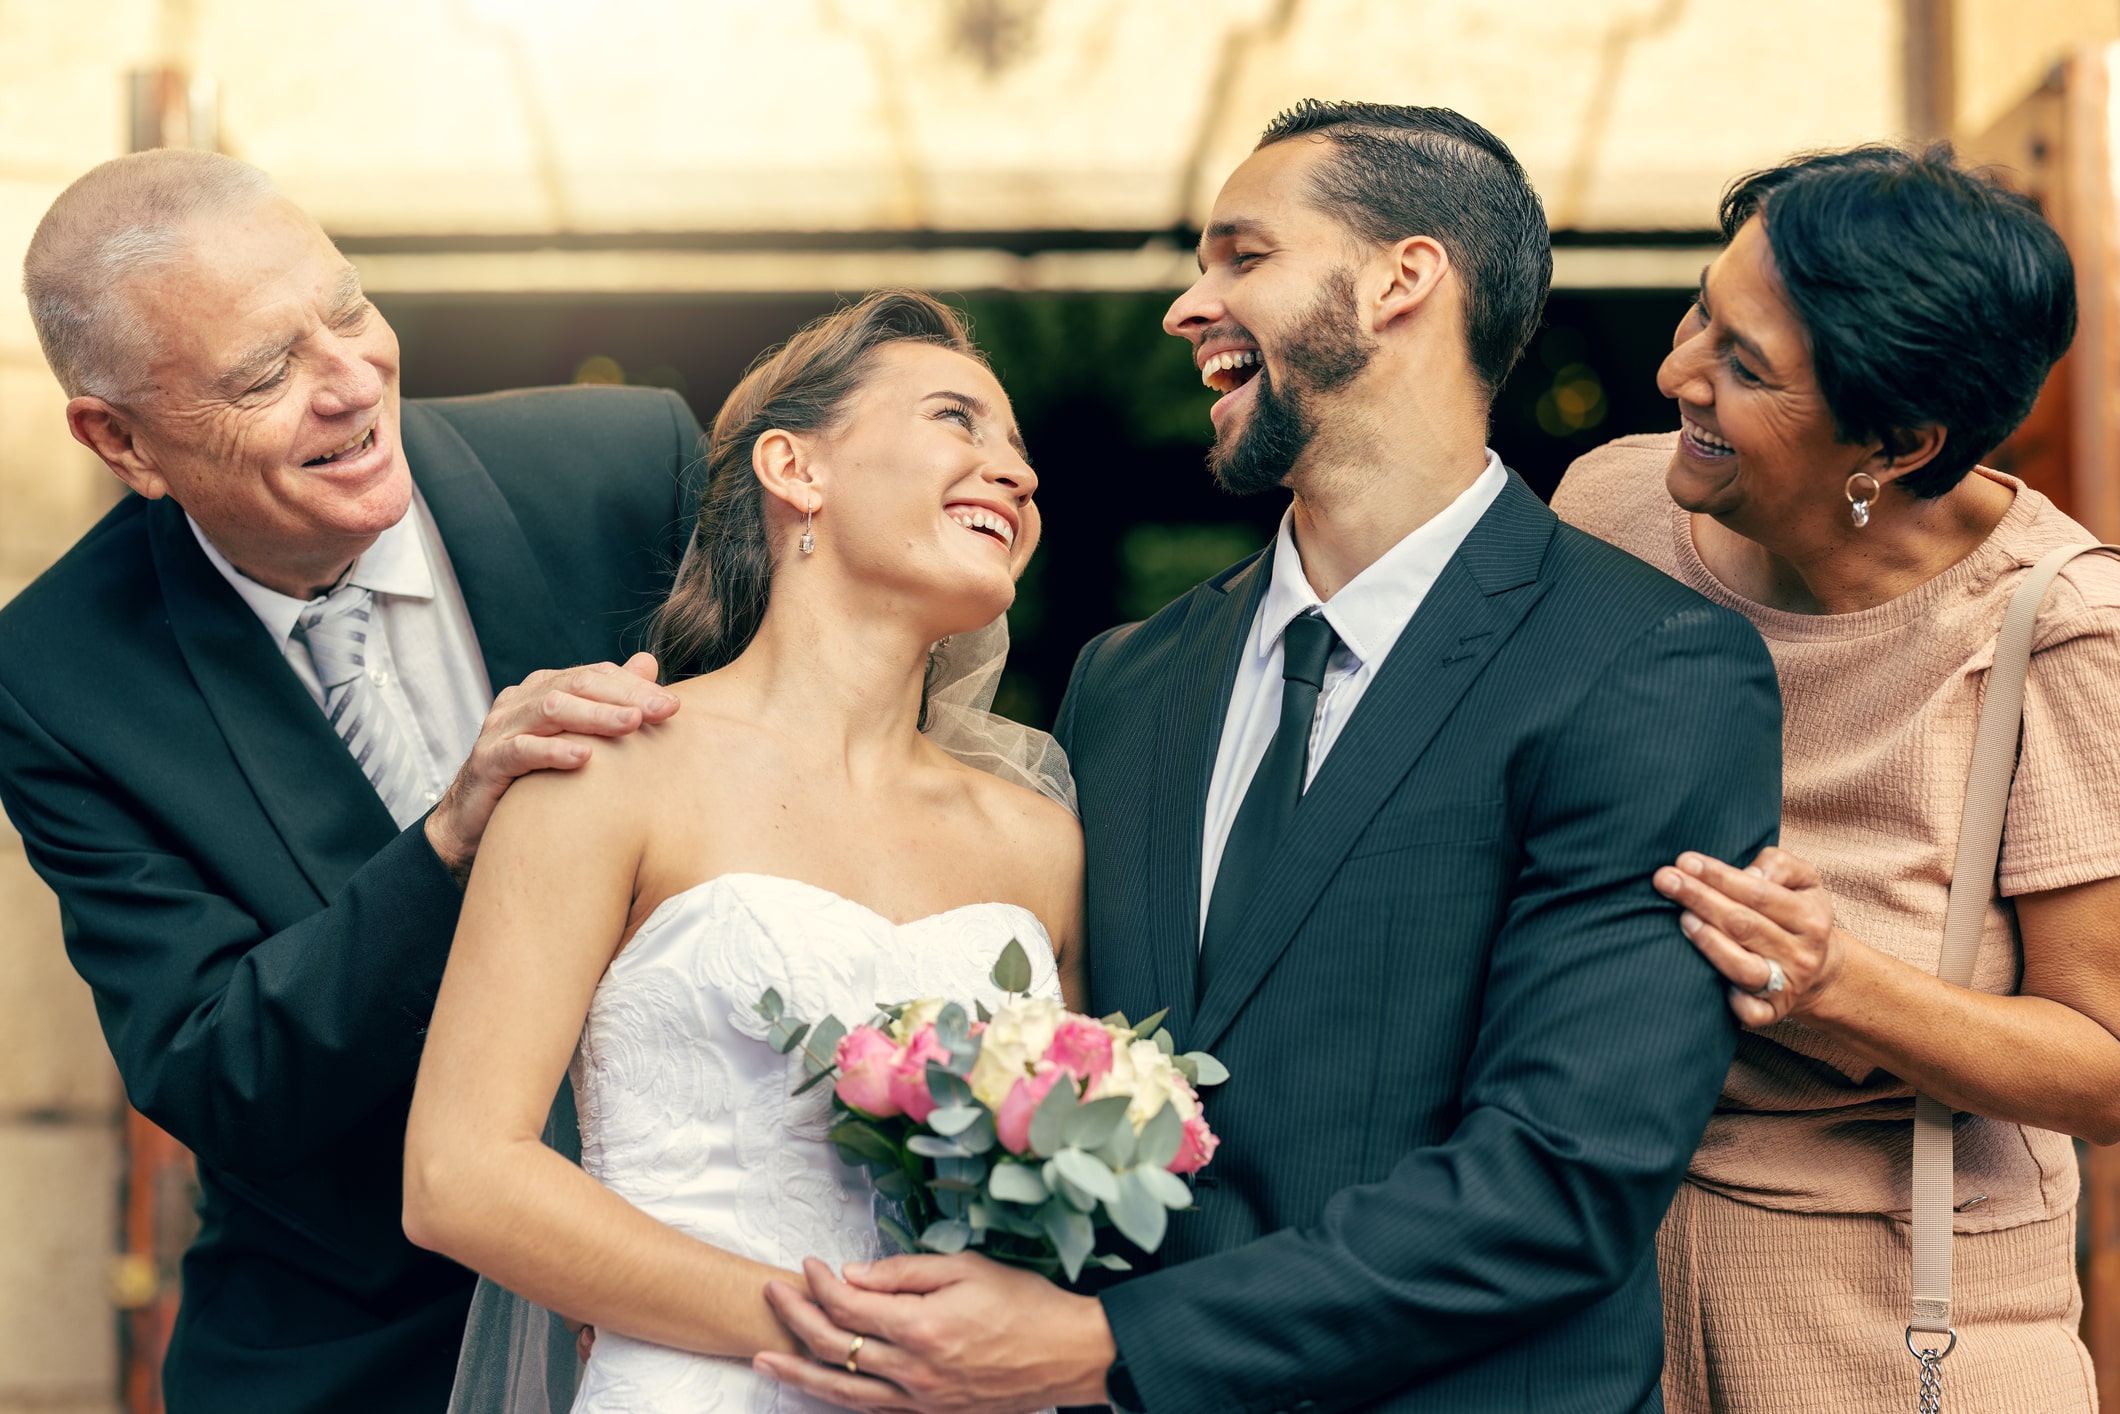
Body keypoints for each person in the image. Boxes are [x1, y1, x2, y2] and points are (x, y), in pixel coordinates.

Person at [753, 101, 1785, 1414]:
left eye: (1243, 255)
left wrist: (1116, 1345)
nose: (1191, 306)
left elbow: (1561, 1180)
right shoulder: (1127, 681)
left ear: (1406, 278)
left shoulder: (1646, 665)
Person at [0, 150, 702, 1413]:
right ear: (120, 440)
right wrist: (446, 843)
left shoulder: (628, 466)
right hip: (352, 1350)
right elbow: (217, 1069)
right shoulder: (54, 674)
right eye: (266, 371)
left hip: (713, 1300)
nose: (352, 380)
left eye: (348, 307)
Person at [399, 290, 1083, 1414]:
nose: (1014, 473)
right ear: (793, 468)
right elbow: (459, 1175)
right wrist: (842, 1336)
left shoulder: (1038, 841)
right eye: (958, 420)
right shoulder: (609, 766)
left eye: (1018, 450)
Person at [1550, 145, 2115, 1413]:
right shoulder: (1607, 510)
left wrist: (1839, 984)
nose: (1672, 372)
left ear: (1899, 443)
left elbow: (2104, 1060)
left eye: (1743, 366)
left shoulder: (2054, 629)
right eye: (1702, 309)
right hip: (1592, 1287)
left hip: (1897, 1323)